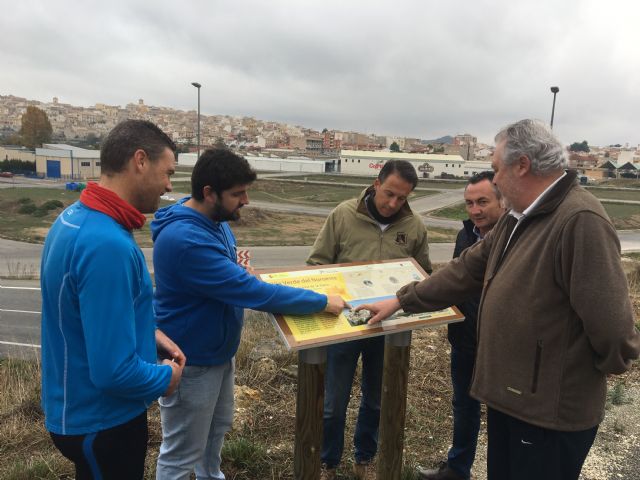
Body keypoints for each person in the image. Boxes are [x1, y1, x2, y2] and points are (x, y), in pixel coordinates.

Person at [359, 119, 640, 480]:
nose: (495, 181)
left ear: (522, 165)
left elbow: (614, 328)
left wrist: (575, 374)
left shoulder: (579, 220)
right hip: (513, 398)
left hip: (549, 411)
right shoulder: (517, 217)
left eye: (496, 170)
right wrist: (401, 300)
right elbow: (464, 271)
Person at [151, 148, 347, 480]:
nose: (246, 200)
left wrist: (239, 272)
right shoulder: (186, 240)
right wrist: (320, 301)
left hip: (217, 353)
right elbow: (253, 293)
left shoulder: (214, 220)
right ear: (209, 193)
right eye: (237, 193)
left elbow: (235, 277)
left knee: (214, 435)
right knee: (181, 454)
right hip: (190, 361)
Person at [40, 119, 185, 479]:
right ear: (140, 161)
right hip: (102, 420)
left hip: (73, 408)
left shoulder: (73, 219)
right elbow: (113, 372)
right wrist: (165, 379)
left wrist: (147, 333)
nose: (169, 185)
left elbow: (85, 314)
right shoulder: (107, 245)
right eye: (167, 172)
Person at [307, 160, 432, 480]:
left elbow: (424, 275)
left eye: (402, 198)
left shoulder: (415, 226)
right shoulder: (343, 215)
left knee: (377, 400)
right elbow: (317, 264)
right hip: (344, 326)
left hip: (388, 328)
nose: (393, 204)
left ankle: (365, 459)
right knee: (333, 402)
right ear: (376, 184)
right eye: (389, 193)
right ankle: (328, 462)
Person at [417, 171, 504, 480]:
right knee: (464, 408)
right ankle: (457, 468)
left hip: (502, 345)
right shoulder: (465, 234)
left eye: (482, 201)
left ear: (502, 199)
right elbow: (455, 284)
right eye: (468, 203)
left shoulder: (518, 238)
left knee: (502, 415)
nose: (474, 210)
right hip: (466, 340)